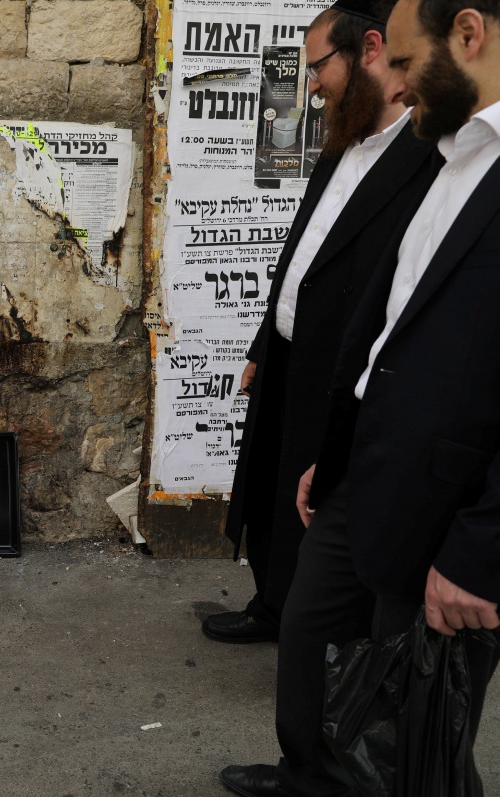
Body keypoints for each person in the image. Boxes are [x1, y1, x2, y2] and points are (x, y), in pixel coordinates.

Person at [220, 0, 500, 792]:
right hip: (361, 467)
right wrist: (334, 454)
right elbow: (388, 326)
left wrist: (481, 549)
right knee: (308, 625)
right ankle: (308, 771)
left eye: (406, 66)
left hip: (444, 502)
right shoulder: (453, 154)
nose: (399, 87)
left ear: (470, 36)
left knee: (416, 716)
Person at [205, 0, 442, 645]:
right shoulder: (344, 138)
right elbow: (301, 248)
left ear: (369, 49)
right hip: (287, 350)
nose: (311, 83)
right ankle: (273, 606)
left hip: (340, 363)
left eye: (318, 67)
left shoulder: (427, 158)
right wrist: (263, 341)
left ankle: (315, 637)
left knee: (315, 501)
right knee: (269, 488)